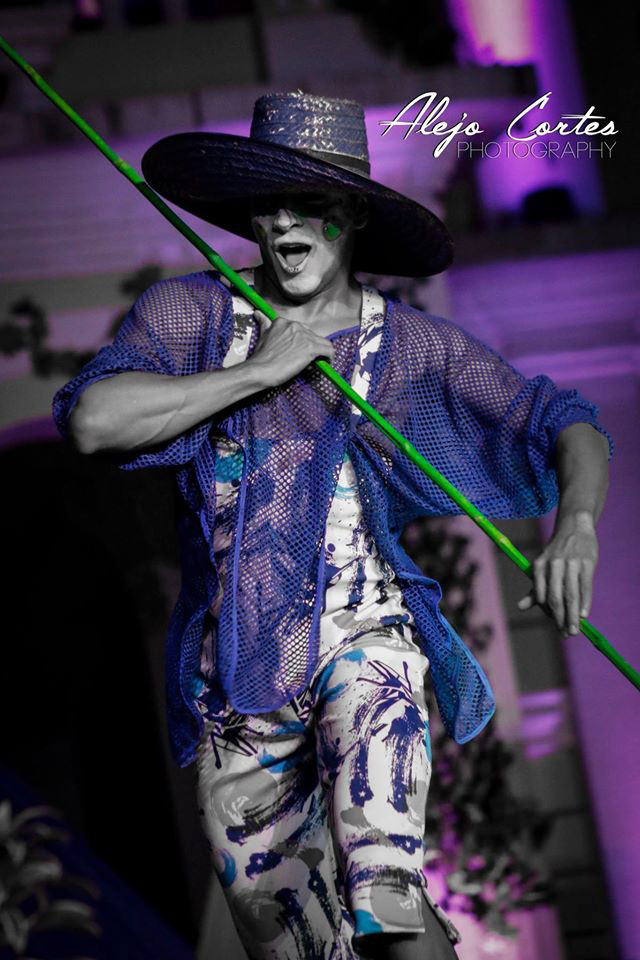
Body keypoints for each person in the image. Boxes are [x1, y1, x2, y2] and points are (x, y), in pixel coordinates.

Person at [52, 92, 612, 960]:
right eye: (268, 203)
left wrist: (576, 526)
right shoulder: (194, 315)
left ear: (350, 215)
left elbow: (566, 423)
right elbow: (94, 421)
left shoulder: (411, 348)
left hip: (365, 644)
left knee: (385, 900)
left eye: (307, 202)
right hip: (236, 687)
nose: (283, 222)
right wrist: (259, 371)